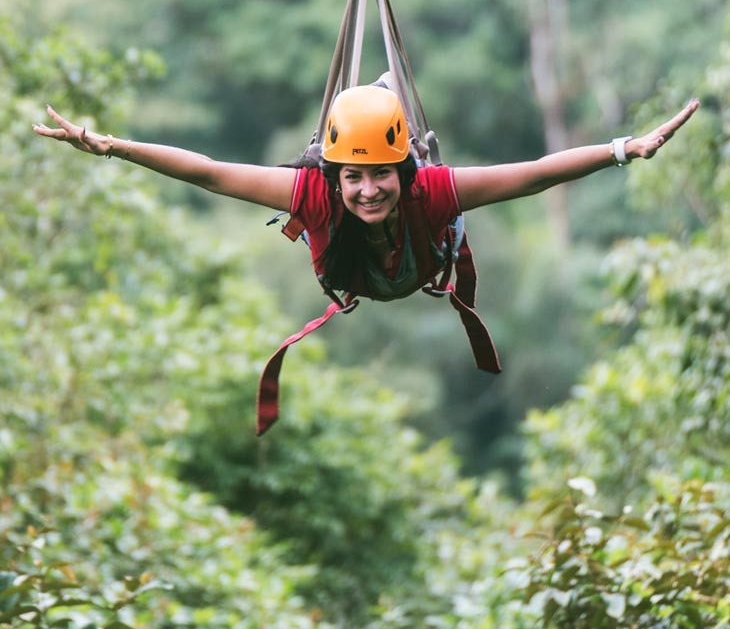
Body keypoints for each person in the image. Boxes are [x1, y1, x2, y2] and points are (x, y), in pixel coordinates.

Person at [33, 87, 700, 433]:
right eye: (353, 177)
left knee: (439, 189)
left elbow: (532, 174)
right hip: (366, 275)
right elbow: (210, 173)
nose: (368, 189)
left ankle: (386, 101)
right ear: (335, 176)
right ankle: (374, 96)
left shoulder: (430, 190)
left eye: (382, 174)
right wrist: (111, 145)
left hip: (418, 264)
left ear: (403, 171)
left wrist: (621, 149)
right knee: (331, 186)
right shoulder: (314, 194)